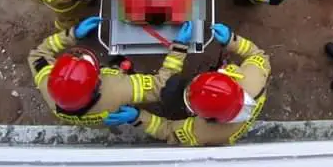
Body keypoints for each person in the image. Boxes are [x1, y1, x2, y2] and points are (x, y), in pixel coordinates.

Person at [103, 23, 270, 146]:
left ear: (205, 117)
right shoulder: (253, 78)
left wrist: (138, 118)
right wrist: (231, 40)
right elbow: (257, 55)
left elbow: (167, 130)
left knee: (170, 90)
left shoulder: (201, 133)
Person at [27, 16, 192, 127]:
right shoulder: (118, 90)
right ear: (96, 82)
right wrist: (179, 47)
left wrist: (72, 34)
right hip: (114, 103)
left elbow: (37, 54)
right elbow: (162, 85)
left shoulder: (48, 84)